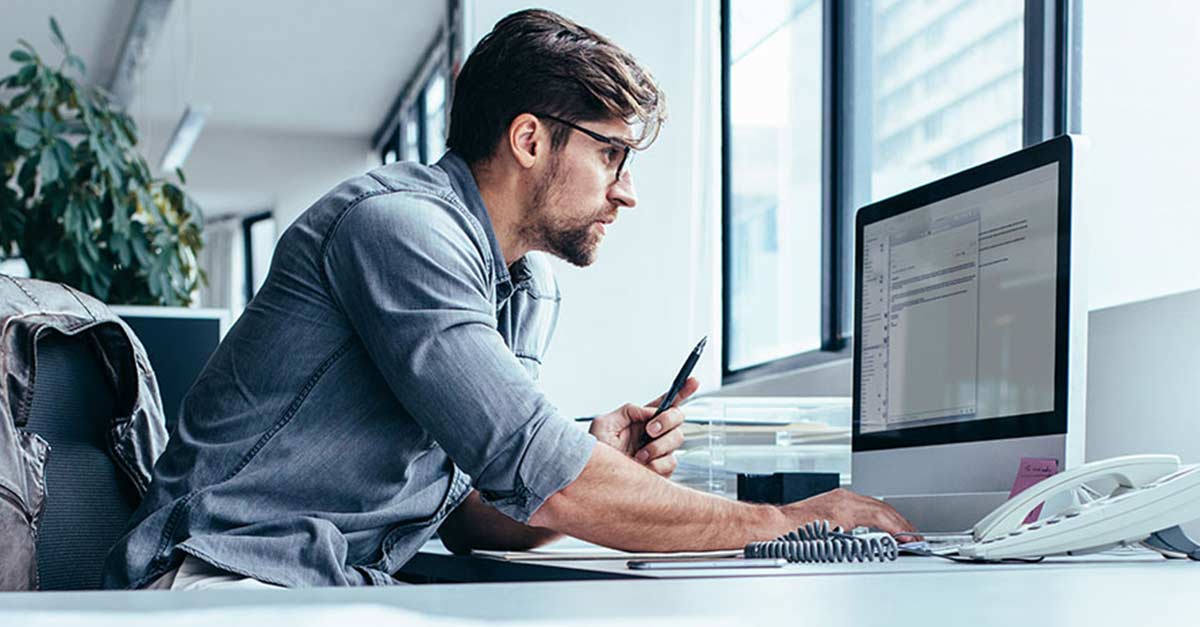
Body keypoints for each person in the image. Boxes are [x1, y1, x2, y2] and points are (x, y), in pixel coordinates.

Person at [103, 9, 912, 590]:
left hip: (332, 585)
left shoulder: (525, 285)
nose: (627, 192)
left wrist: (596, 454)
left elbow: (466, 515)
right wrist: (791, 525)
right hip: (220, 579)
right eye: (612, 154)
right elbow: (544, 471)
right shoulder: (398, 230)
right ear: (530, 139)